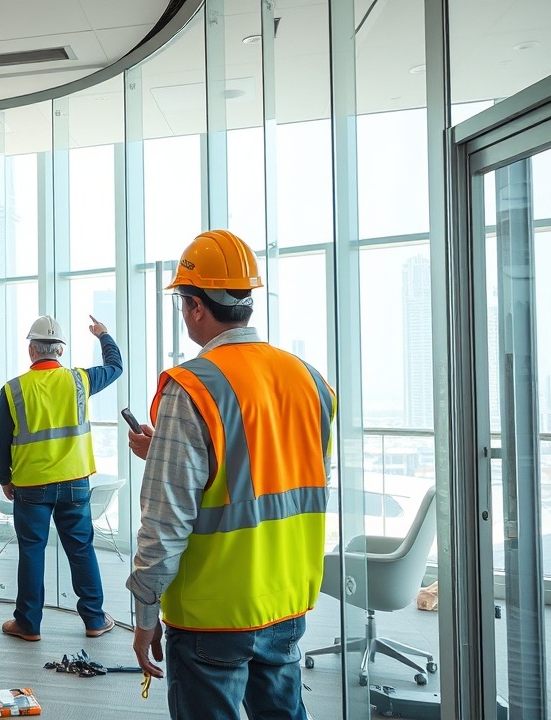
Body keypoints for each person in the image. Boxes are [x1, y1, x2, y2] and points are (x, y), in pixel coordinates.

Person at [125, 229, 337, 720]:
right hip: (284, 601)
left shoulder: (194, 385)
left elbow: (165, 521)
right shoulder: (309, 379)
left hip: (212, 611)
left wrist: (144, 612)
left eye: (183, 303)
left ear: (196, 306)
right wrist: (168, 451)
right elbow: (283, 471)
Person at [0, 314, 123, 641]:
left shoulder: (13, 389)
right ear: (60, 350)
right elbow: (115, 366)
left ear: (31, 350)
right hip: (75, 483)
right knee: (81, 550)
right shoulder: (80, 381)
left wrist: (4, 478)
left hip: (31, 485)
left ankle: (28, 624)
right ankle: (94, 619)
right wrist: (103, 335)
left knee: (32, 552)